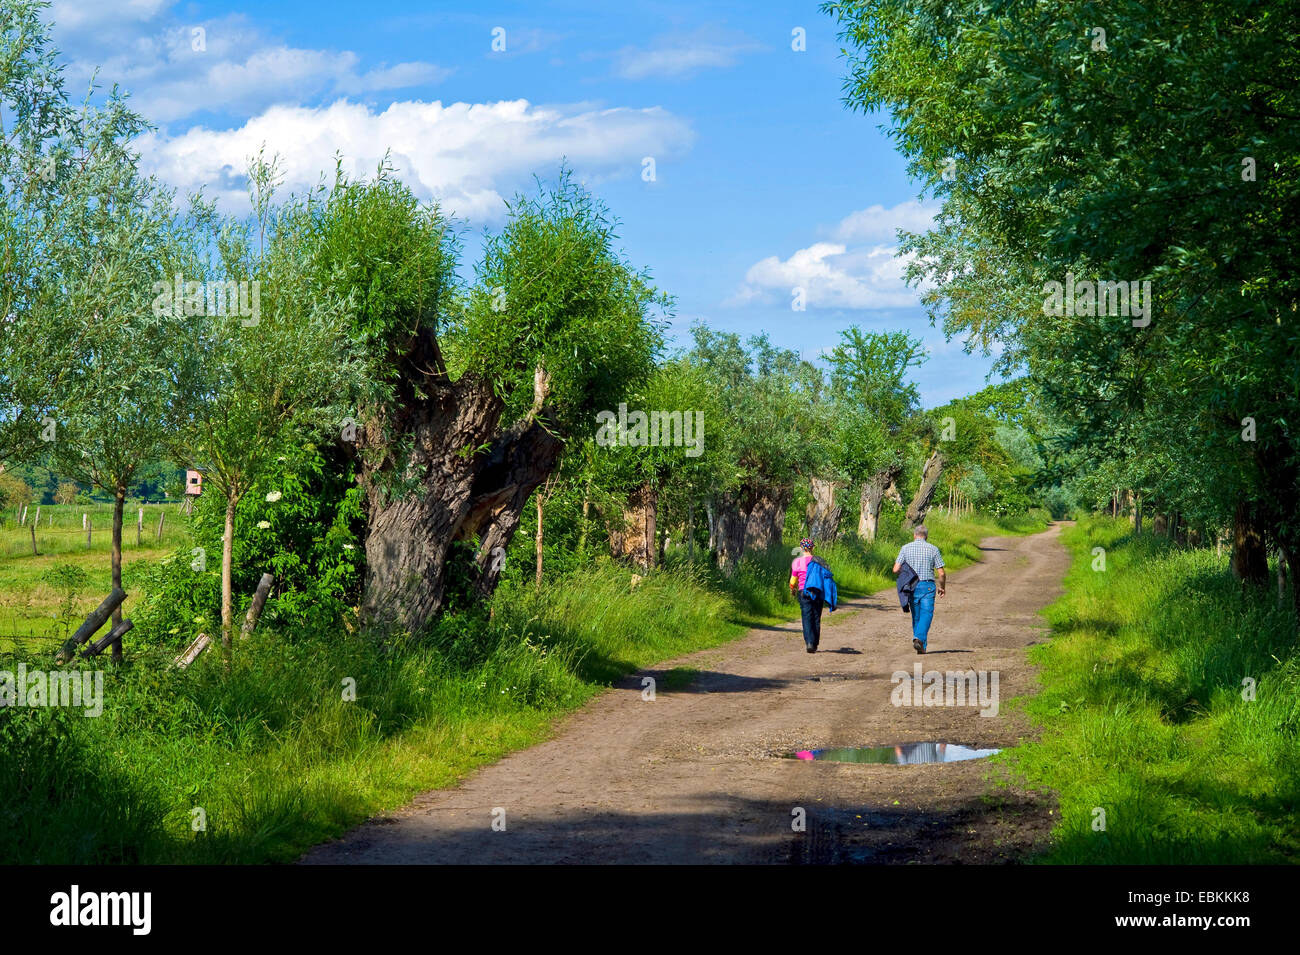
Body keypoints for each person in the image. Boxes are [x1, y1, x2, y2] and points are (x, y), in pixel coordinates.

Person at [892, 524, 945, 653]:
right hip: (927, 586)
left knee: (916, 616)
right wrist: (942, 587)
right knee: (926, 614)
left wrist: (905, 576)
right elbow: (941, 573)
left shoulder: (905, 548)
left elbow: (895, 569)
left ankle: (921, 647)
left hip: (911, 586)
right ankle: (919, 638)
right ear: (926, 536)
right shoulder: (933, 549)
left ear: (914, 535)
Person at [789, 538, 824, 653]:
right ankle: (815, 643)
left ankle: (809, 643)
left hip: (803, 592)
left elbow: (793, 580)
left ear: (801, 548)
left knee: (807, 617)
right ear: (812, 548)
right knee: (816, 617)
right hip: (817, 592)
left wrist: (792, 589)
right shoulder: (819, 561)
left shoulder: (797, 562)